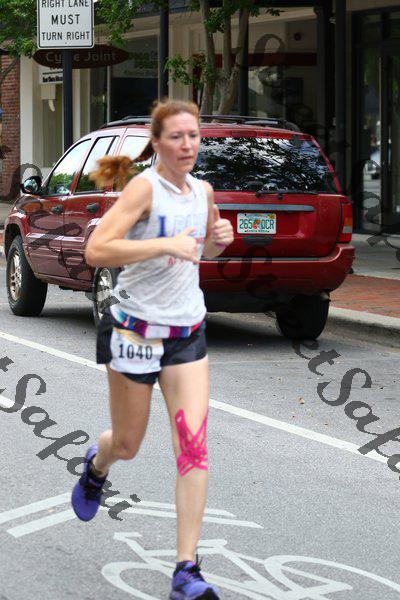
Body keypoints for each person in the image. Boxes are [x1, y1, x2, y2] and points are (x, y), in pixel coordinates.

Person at [71, 100, 234, 600]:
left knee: (194, 447)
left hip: (187, 333)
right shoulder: (144, 189)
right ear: (157, 143)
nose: (187, 145)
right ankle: (96, 467)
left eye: (194, 136)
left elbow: (204, 248)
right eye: (177, 137)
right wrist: (161, 245)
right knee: (127, 444)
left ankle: (186, 570)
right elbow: (96, 250)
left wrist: (219, 239)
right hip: (135, 332)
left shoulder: (203, 191)